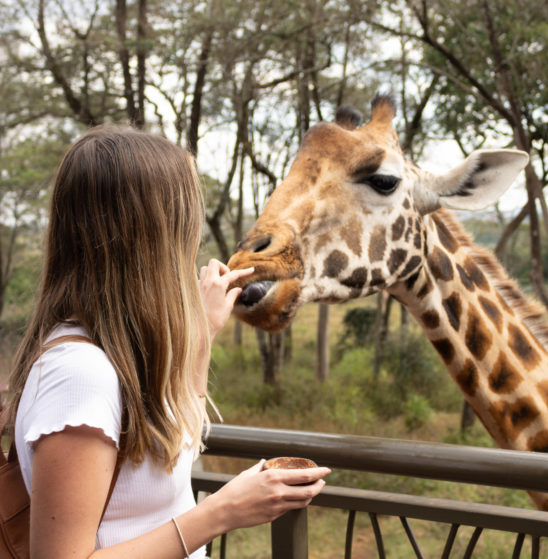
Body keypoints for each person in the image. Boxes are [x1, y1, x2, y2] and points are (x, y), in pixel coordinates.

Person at [5, 125, 330, 558]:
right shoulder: (80, 374)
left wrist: (201, 334)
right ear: (153, 240)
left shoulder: (110, 354)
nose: (191, 241)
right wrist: (222, 512)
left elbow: (171, 447)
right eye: (184, 224)